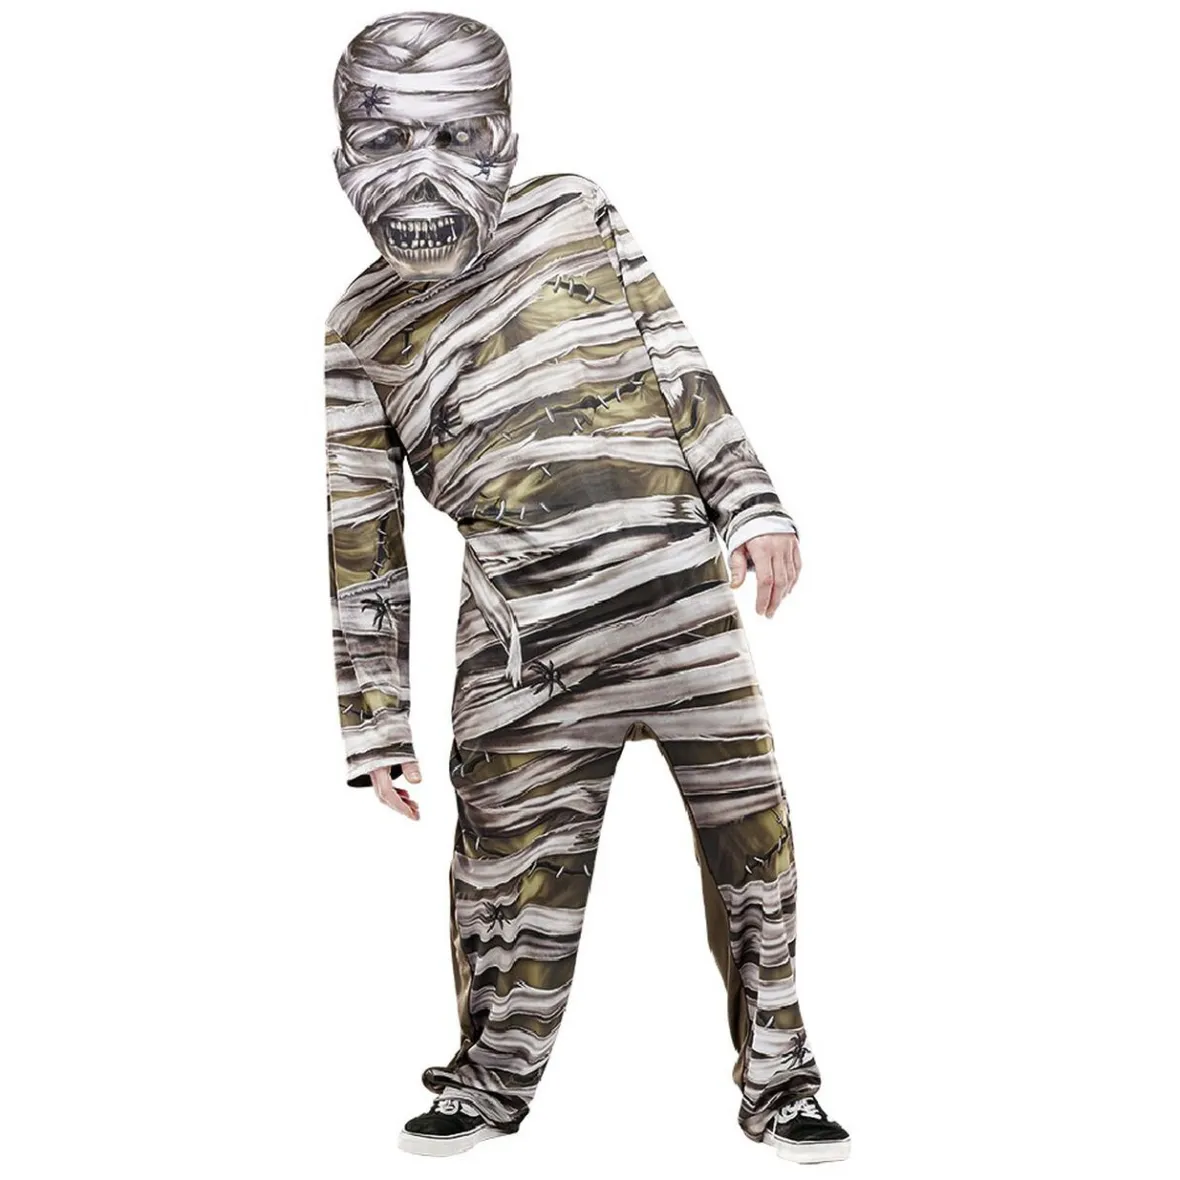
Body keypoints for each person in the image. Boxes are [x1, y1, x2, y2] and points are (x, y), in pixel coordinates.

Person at [324, 10, 849, 1164]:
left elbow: (673, 355)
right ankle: (486, 1082)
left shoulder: (575, 210)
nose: (421, 171)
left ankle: (782, 1081)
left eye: (457, 135)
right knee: (504, 882)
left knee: (754, 848)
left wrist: (753, 501)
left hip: (681, 609)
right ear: (340, 151)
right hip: (522, 659)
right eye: (385, 136)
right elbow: (362, 536)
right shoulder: (358, 326)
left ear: (504, 141)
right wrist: (375, 722)